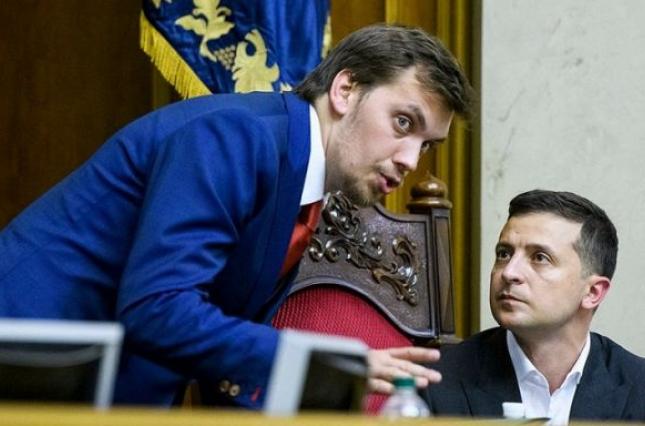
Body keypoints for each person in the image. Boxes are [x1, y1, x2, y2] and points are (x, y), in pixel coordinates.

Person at [0, 24, 472, 408]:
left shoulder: (300, 178)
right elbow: (157, 308)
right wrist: (323, 363)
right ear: (345, 90)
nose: (411, 161)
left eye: (427, 145)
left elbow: (214, 336)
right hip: (26, 366)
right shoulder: (236, 136)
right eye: (403, 123)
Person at [422, 190, 645, 423]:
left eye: (540, 257)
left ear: (593, 292)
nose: (509, 272)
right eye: (504, 254)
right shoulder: (437, 380)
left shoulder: (638, 389)